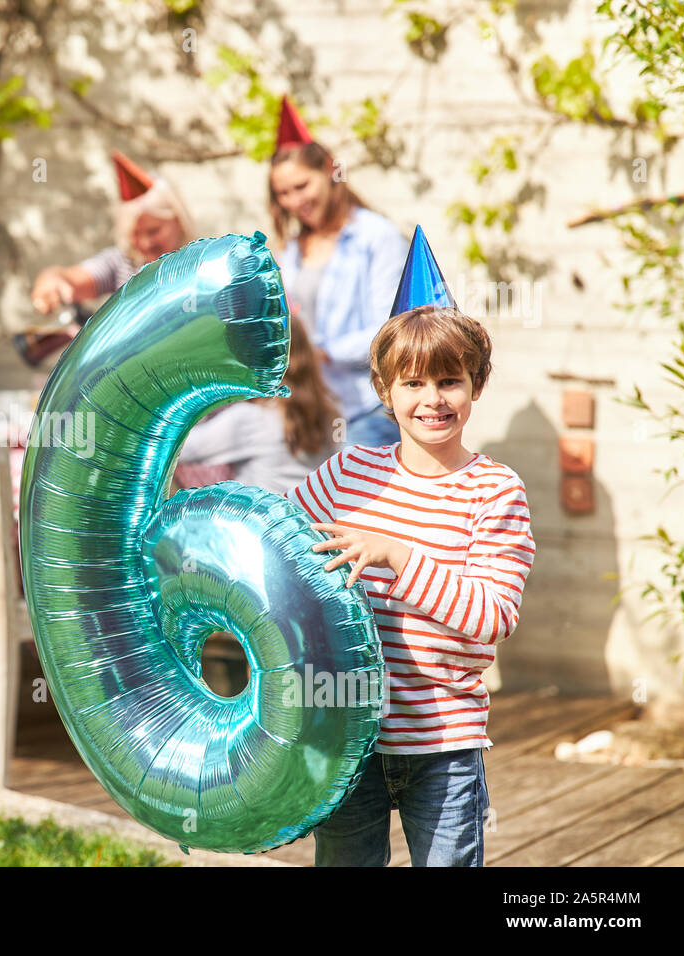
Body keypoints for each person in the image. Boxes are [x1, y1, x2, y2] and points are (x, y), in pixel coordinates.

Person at [284, 230, 536, 866]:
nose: (432, 400)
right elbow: (279, 551)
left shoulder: (494, 490)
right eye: (414, 384)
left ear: (476, 386)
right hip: (350, 737)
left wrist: (397, 553)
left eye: (450, 381)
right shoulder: (347, 475)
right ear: (384, 390)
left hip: (444, 745)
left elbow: (493, 616)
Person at [268, 95, 408, 449]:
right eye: (283, 193)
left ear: (331, 172)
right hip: (310, 414)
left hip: (366, 411)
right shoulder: (291, 251)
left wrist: (322, 351)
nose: (294, 201)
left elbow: (392, 331)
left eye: (302, 186)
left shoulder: (377, 237)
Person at [26, 151, 196, 353]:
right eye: (135, 234)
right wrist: (52, 283)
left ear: (177, 221)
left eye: (154, 231)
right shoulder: (123, 263)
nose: (144, 243)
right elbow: (69, 278)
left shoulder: (199, 265)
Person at [178, 317, 338, 493]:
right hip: (312, 516)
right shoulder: (328, 412)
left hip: (264, 517)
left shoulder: (250, 418)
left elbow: (182, 449)